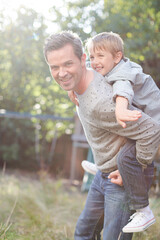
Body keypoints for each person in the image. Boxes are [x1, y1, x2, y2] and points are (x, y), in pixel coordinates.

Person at [43, 31, 160, 240]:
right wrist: (72, 88)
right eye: (55, 67)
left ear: (82, 59)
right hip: (103, 173)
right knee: (84, 233)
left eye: (67, 64)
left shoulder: (104, 102)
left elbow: (151, 130)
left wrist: (132, 172)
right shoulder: (82, 81)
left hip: (122, 179)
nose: (61, 73)